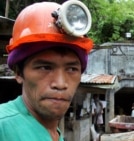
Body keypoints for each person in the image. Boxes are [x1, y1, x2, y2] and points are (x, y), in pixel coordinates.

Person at [0, 1, 93, 141]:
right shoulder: (3, 127)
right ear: (18, 72)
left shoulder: (54, 134)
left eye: (72, 69)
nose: (60, 84)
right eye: (45, 67)